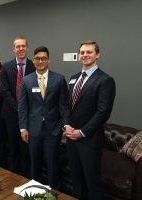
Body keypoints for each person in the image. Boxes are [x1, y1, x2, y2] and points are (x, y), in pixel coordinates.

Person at [64, 40, 116, 200]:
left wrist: (82, 132)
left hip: (89, 140)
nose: (85, 55)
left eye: (89, 52)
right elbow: (67, 105)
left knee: (92, 182)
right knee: (76, 180)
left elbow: (103, 113)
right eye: (82, 52)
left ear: (97, 55)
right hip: (71, 138)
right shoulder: (73, 78)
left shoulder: (105, 80)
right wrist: (66, 125)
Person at [18, 46, 68, 188]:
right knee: (35, 163)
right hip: (33, 130)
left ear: (49, 60)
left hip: (53, 130)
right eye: (37, 58)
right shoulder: (26, 80)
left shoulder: (59, 79)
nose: (40, 61)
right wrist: (23, 128)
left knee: (52, 163)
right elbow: (22, 106)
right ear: (33, 61)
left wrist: (64, 126)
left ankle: (52, 190)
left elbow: (63, 105)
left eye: (44, 58)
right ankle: (35, 189)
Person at [1, 36, 35, 177]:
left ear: (27, 48)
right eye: (18, 46)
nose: (21, 49)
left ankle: (25, 174)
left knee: (26, 147)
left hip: (29, 114)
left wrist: (24, 109)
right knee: (12, 145)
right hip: (11, 113)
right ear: (13, 49)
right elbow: (5, 90)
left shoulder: (34, 66)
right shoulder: (6, 66)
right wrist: (18, 107)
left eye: (23, 46)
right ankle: (12, 173)